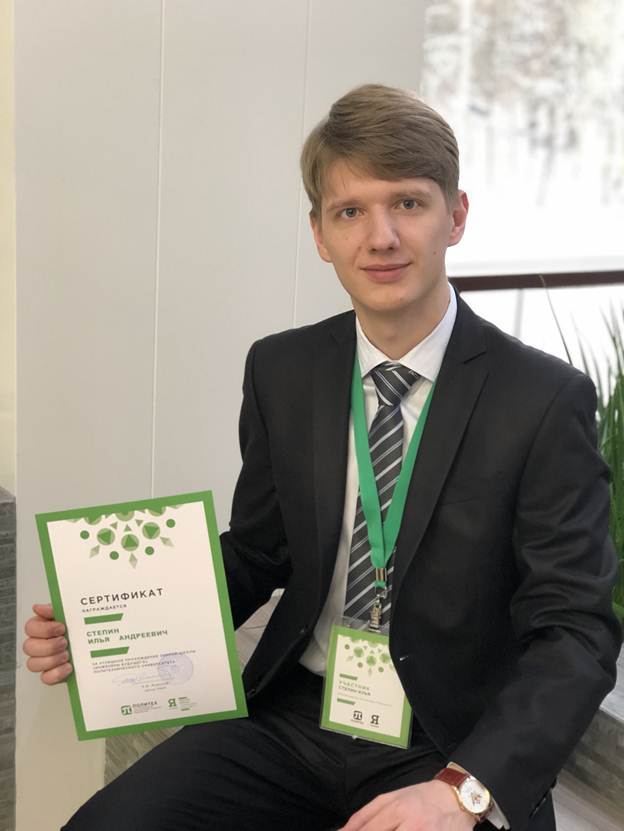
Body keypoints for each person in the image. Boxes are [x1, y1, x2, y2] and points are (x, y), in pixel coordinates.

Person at [23, 84, 621, 831]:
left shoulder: (542, 398)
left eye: (408, 203)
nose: (381, 237)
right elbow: (259, 551)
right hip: (295, 717)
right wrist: (107, 628)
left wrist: (464, 789)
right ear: (319, 234)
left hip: (448, 741)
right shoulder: (283, 368)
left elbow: (576, 630)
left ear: (456, 215)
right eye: (350, 212)